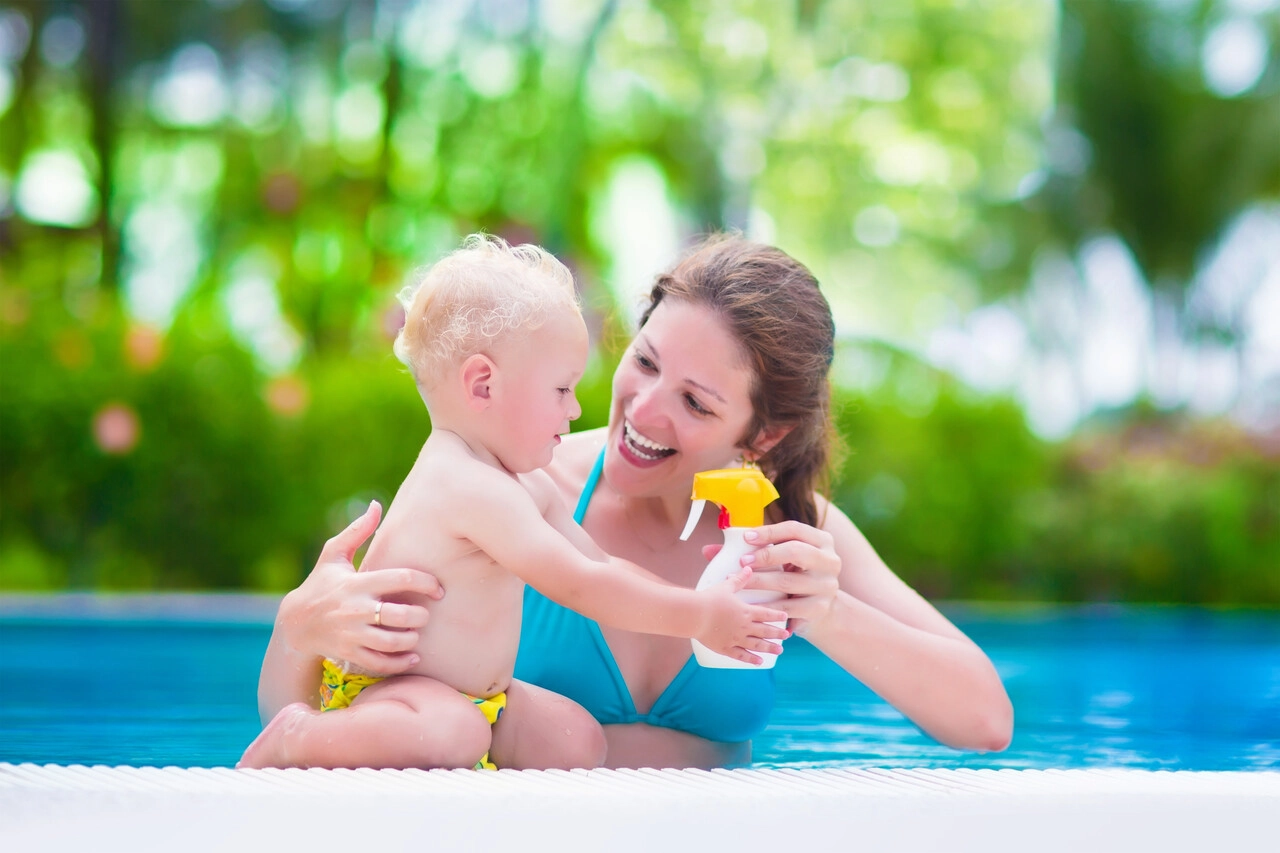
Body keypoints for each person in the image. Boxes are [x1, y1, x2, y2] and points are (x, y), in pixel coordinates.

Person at [255, 234, 1014, 771]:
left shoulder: (792, 530)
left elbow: (986, 720)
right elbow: (315, 717)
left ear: (763, 432)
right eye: (644, 361)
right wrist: (298, 626)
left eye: (695, 400)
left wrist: (824, 610)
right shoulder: (522, 482)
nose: (644, 410)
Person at [239, 235, 788, 772]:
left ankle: (474, 756)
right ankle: (298, 736)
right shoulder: (464, 486)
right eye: (560, 389)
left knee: (577, 740)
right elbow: (578, 585)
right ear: (483, 386)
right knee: (453, 731)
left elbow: (600, 564)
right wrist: (698, 617)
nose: (575, 410)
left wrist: (712, 601)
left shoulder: (523, 484)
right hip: (390, 697)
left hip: (480, 699)